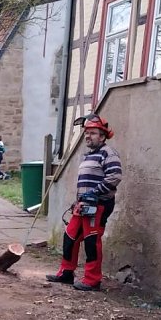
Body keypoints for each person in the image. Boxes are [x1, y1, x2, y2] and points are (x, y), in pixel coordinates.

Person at [46, 113, 122, 291]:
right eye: (87, 132)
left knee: (91, 240)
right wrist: (78, 200)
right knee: (70, 236)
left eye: (93, 133)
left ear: (103, 136)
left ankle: (93, 279)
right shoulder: (88, 156)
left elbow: (115, 176)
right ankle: (66, 272)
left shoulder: (108, 154)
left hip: (98, 205)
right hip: (84, 205)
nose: (88, 136)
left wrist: (94, 193)